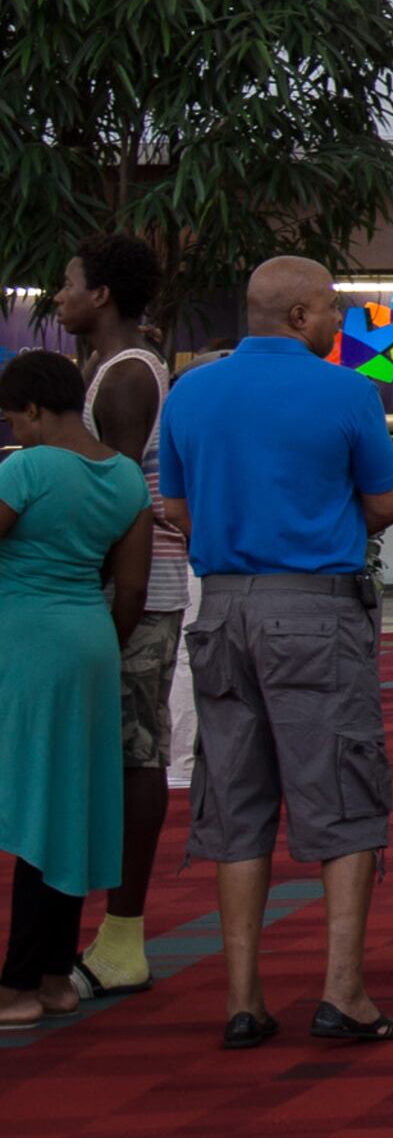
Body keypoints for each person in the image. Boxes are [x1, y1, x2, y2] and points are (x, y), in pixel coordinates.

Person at [149, 256, 393, 1051]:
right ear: (299, 316)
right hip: (316, 610)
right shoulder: (345, 392)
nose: (341, 322)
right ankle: (343, 994)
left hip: (222, 609)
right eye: (332, 309)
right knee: (342, 789)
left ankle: (243, 999)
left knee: (234, 798)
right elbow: (387, 502)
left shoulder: (190, 391)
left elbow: (175, 506)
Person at [0, 350, 153, 1030]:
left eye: (12, 418)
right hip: (91, 640)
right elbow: (134, 588)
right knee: (66, 804)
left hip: (29, 642)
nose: (13, 430)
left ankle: (17, 986)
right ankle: (58, 974)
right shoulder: (124, 478)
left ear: (32, 410)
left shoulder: (25, 468)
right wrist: (100, 638)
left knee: (35, 807)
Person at [47, 232, 179, 998]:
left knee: (136, 754)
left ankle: (125, 936)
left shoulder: (127, 377)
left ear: (101, 295)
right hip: (112, 591)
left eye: (67, 283)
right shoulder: (104, 370)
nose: (59, 296)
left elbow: (119, 503)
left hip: (138, 592)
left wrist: (109, 607)